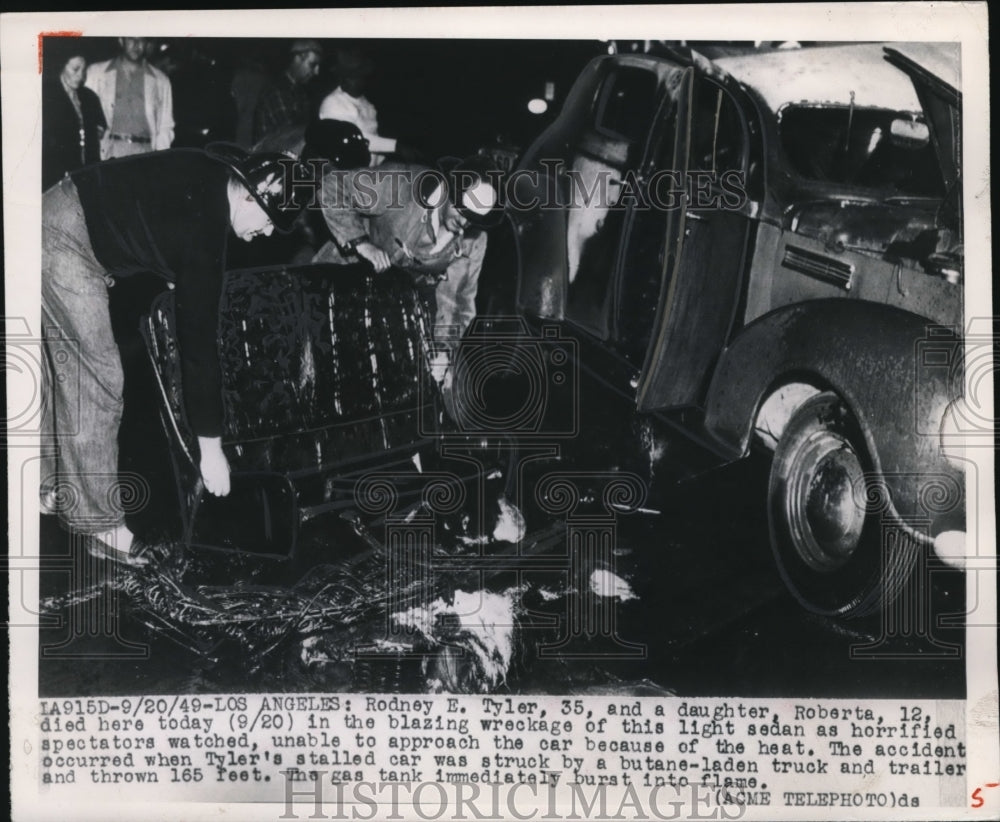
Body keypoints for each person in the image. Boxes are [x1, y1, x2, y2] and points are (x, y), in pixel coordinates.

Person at [41, 146, 304, 564]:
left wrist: (176, 272)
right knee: (98, 375)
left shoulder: (215, 176)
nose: (269, 234)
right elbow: (198, 349)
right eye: (270, 221)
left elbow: (154, 213)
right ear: (249, 195)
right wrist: (211, 451)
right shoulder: (206, 231)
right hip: (66, 238)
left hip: (60, 207)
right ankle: (97, 525)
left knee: (63, 364)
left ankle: (49, 485)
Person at [313, 156, 502, 389]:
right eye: (461, 211)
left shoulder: (473, 240)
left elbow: (456, 300)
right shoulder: (401, 184)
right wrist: (361, 243)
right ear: (448, 190)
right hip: (341, 274)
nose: (463, 224)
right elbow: (333, 186)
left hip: (389, 305)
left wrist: (443, 349)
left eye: (473, 219)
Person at [85, 37, 175, 158]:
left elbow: (165, 126)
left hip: (145, 152)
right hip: (109, 152)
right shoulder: (96, 73)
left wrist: (161, 158)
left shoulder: (161, 80)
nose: (136, 45)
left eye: (141, 40)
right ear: (121, 40)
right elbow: (86, 117)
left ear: (147, 44)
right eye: (131, 39)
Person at [318, 47, 398, 165]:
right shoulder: (333, 103)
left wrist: (385, 160)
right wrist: (396, 146)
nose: (361, 80)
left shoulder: (366, 103)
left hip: (371, 170)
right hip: (347, 171)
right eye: (354, 76)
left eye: (362, 76)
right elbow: (354, 140)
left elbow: (374, 136)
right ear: (343, 80)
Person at [42, 48, 107, 190]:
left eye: (84, 70)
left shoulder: (89, 97)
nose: (80, 75)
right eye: (75, 69)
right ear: (62, 66)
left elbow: (98, 133)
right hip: (56, 176)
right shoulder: (46, 95)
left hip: (86, 174)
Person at [253, 39, 322, 144]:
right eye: (312, 65)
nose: (317, 72)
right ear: (298, 59)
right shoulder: (278, 91)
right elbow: (292, 136)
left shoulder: (299, 91)